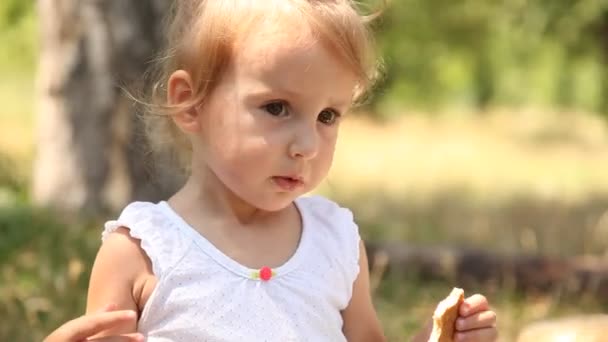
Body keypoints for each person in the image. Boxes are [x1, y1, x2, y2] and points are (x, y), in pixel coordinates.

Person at [53, 0, 498, 340]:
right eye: (277, 108)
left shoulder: (336, 243)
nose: (306, 146)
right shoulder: (144, 251)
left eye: (328, 116)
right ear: (192, 102)